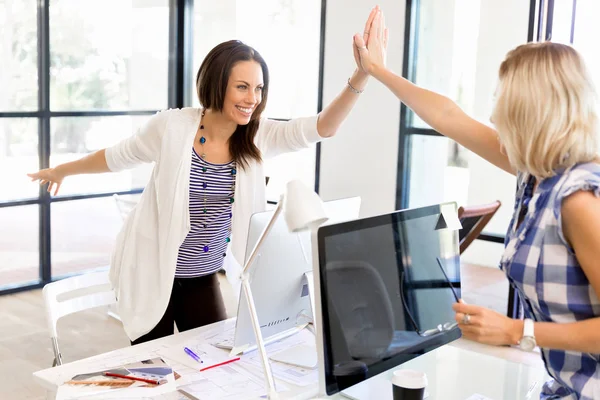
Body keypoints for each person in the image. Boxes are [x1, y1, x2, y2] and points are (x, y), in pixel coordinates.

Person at [27, 6, 387, 345]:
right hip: (152, 272)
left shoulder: (259, 136)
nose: (253, 98)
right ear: (218, 84)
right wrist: (63, 170)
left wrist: (362, 74)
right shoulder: (172, 128)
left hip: (203, 275)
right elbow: (118, 156)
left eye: (259, 88)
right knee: (155, 371)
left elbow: (322, 127)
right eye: (242, 86)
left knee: (215, 365)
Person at [354, 9, 600, 399]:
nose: (493, 111)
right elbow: (448, 116)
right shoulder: (534, 171)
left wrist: (518, 331)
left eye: (501, 97)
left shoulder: (579, 200)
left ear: (529, 110)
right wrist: (379, 71)